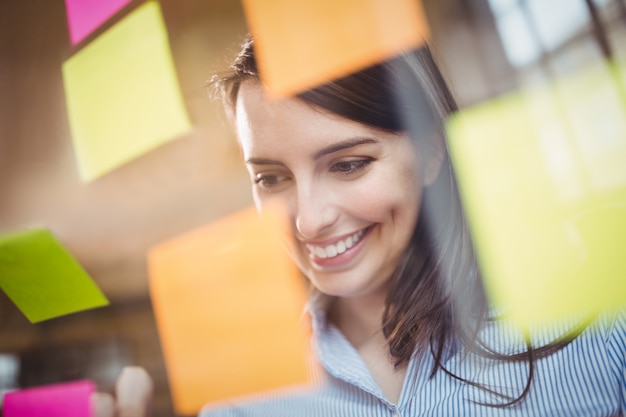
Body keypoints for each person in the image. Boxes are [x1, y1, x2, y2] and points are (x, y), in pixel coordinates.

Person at [94, 36, 626, 416]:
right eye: (272, 178)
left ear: (432, 150)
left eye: (348, 164)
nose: (308, 220)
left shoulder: (597, 323)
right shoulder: (242, 398)